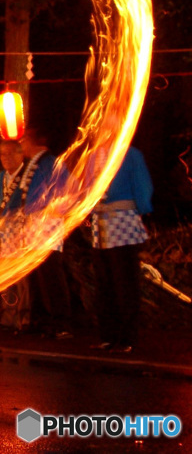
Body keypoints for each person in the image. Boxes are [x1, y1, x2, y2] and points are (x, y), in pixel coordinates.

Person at [11, 125, 73, 340]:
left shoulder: (51, 163)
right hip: (33, 223)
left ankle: (60, 321)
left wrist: (51, 213)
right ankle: (42, 319)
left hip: (47, 223)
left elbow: (66, 190)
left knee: (51, 273)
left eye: (25, 139)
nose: (22, 144)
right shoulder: (32, 164)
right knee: (38, 274)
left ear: (35, 140)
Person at [89, 145, 152, 353]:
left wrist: (142, 211)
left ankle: (127, 337)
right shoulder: (93, 156)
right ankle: (108, 335)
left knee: (125, 281)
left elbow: (142, 186)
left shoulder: (130, 155)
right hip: (100, 224)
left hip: (123, 220)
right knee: (104, 282)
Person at [0, 139, 31, 331]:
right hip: (4, 233)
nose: (5, 158)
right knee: (6, 277)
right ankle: (8, 316)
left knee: (22, 279)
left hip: (21, 233)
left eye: (9, 153)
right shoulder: (0, 178)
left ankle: (24, 318)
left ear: (20, 154)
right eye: (2, 154)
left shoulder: (26, 176)